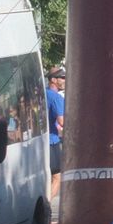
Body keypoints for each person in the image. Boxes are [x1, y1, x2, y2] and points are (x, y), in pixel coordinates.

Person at [46, 66, 66, 204]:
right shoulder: (56, 98)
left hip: (40, 141)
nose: (65, 80)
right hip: (52, 141)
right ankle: (46, 206)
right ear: (53, 80)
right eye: (62, 78)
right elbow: (62, 121)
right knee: (57, 177)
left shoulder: (43, 93)